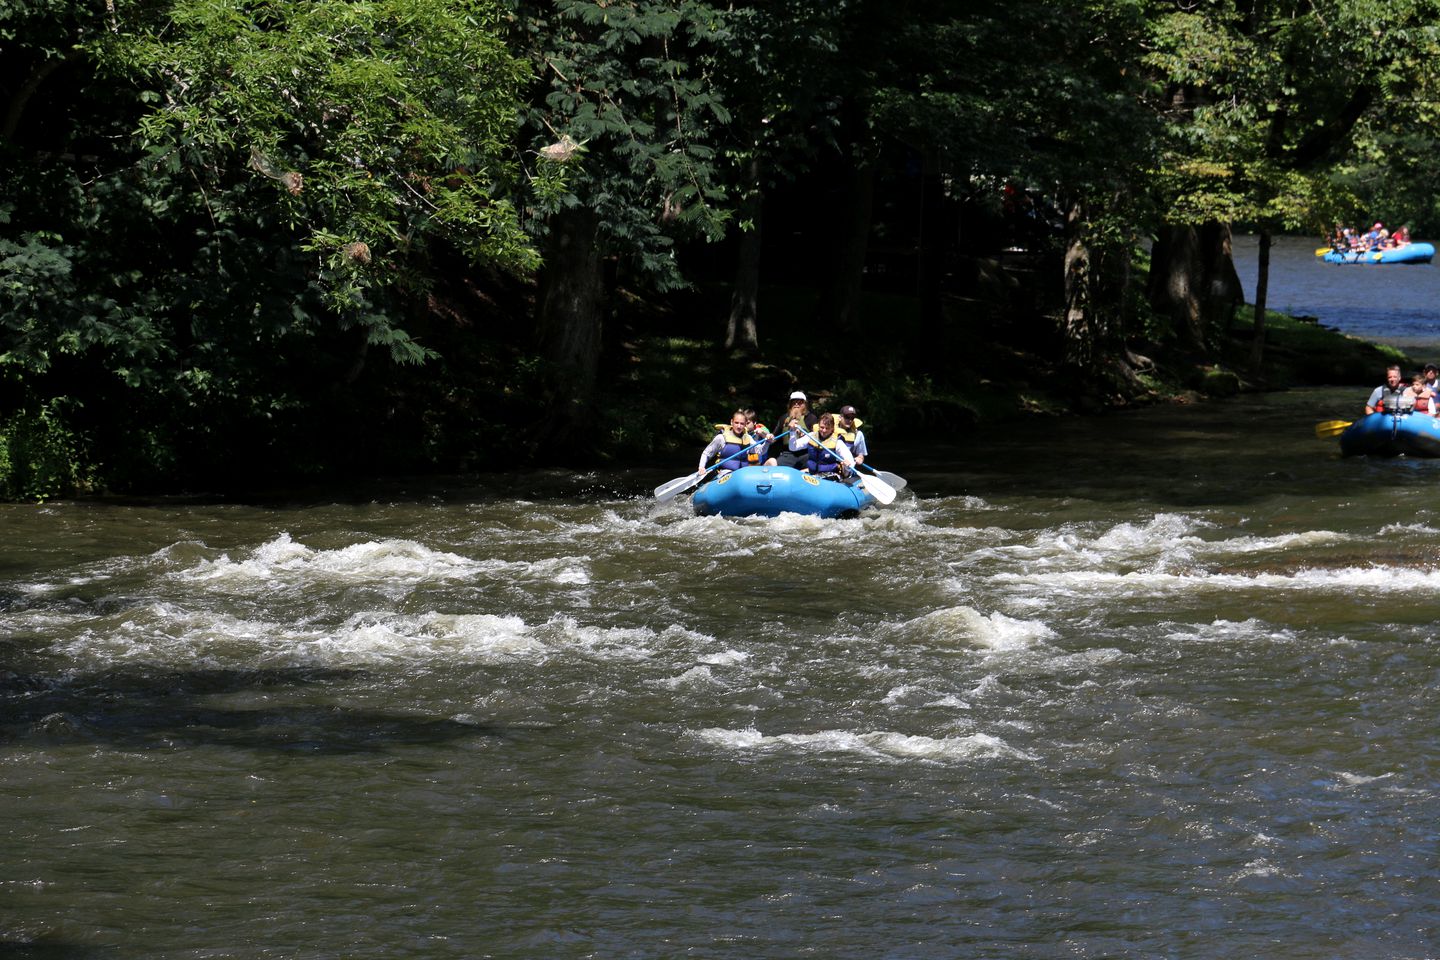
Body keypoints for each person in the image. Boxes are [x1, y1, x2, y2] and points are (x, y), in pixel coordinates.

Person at [696, 410, 766, 478]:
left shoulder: (748, 438)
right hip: (725, 473)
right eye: (736, 423)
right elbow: (706, 453)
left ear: (745, 424)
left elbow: (760, 451)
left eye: (742, 424)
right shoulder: (721, 438)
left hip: (743, 473)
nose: (739, 426)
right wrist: (701, 467)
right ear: (731, 422)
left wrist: (767, 442)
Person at [764, 391, 819, 469]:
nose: (796, 404)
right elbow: (774, 437)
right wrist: (767, 435)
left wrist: (802, 433)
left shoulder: (811, 418)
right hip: (788, 453)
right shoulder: (783, 418)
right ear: (790, 405)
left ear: (805, 404)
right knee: (773, 463)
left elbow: (815, 437)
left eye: (799, 402)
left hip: (805, 453)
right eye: (794, 402)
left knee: (813, 466)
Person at [803, 413, 853, 480]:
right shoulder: (811, 436)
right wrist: (792, 431)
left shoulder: (837, 442)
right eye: (822, 427)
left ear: (832, 429)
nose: (824, 431)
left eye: (827, 428)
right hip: (813, 473)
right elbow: (793, 447)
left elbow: (851, 461)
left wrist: (847, 466)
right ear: (818, 426)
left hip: (830, 474)